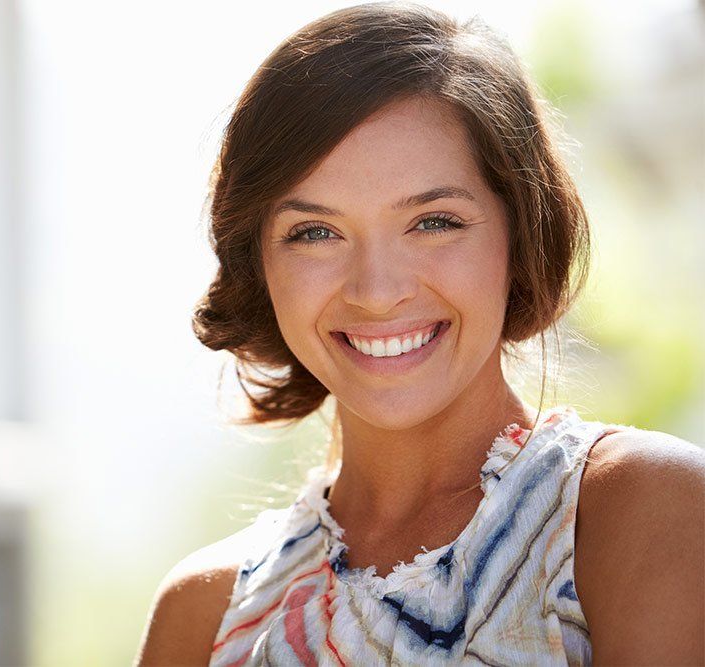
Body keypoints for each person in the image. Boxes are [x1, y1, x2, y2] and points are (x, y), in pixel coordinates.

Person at [135, 3, 705, 665]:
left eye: (434, 221)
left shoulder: (644, 514)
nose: (377, 290)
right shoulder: (205, 613)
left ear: (520, 234)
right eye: (315, 232)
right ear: (257, 265)